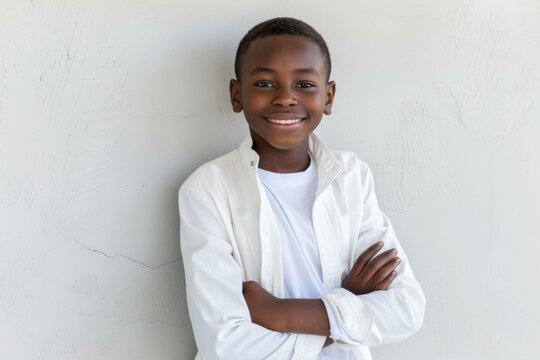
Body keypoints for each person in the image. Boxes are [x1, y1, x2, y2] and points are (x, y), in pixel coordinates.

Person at [178, 17, 425, 360]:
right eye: (264, 82)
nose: (285, 98)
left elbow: (406, 308)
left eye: (305, 84)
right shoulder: (207, 190)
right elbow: (226, 345)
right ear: (237, 95)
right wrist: (346, 303)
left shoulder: (352, 177)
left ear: (328, 96)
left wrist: (280, 312)